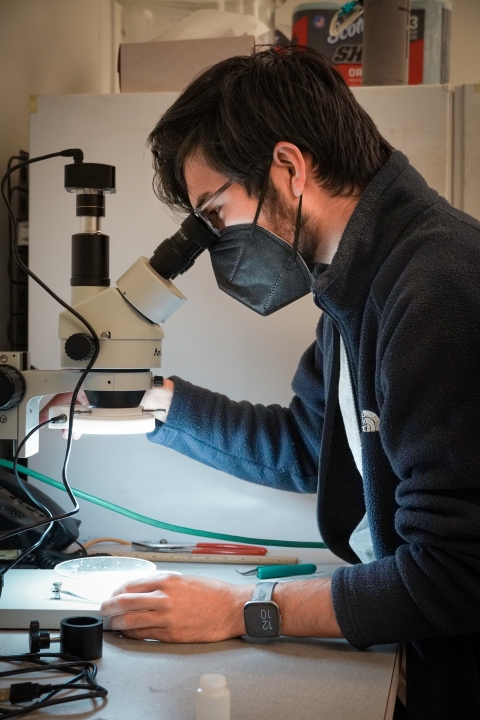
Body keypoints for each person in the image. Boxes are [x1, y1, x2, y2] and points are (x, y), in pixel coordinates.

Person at [42, 48, 480, 719]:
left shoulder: (435, 290)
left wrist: (246, 610)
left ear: (289, 166)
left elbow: (456, 574)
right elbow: (311, 449)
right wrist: (153, 403)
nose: (215, 241)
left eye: (215, 212)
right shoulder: (356, 286)